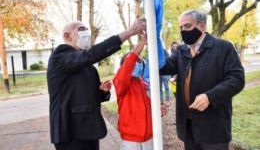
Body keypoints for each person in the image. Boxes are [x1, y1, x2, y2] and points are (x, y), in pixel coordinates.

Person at [47, 19, 146, 150]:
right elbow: (91, 54)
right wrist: (129, 32)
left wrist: (103, 92)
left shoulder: (88, 67)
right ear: (67, 36)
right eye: (80, 29)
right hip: (69, 130)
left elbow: (92, 97)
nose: (86, 32)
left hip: (89, 129)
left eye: (86, 29)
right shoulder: (60, 56)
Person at [159, 10, 245, 150]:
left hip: (214, 127)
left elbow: (237, 79)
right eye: (181, 28)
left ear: (202, 26)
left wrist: (210, 97)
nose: (183, 31)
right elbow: (163, 67)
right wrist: (151, 43)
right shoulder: (181, 51)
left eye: (187, 26)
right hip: (189, 125)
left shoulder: (223, 48)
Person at [113, 36, 153, 150]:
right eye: (134, 61)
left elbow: (145, 109)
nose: (137, 62)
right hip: (131, 141)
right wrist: (139, 47)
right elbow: (126, 68)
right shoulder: (120, 83)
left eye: (139, 61)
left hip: (150, 138)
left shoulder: (144, 84)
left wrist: (158, 112)